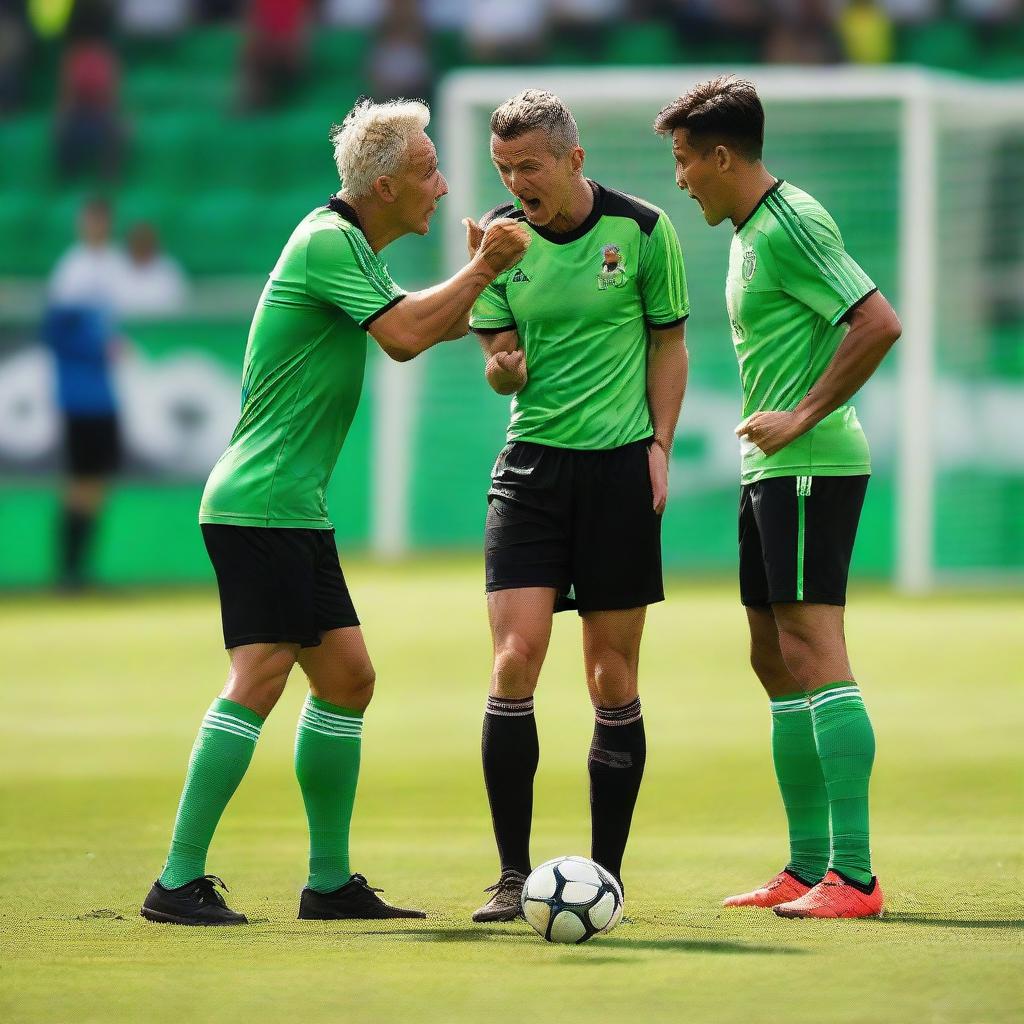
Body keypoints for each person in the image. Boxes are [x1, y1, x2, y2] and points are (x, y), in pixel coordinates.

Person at [140, 97, 530, 926]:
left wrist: (480, 286)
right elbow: (404, 336)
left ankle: (327, 884)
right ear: (384, 185)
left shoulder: (350, 246)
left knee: (348, 679)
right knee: (261, 676)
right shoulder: (326, 241)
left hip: (292, 510)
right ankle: (175, 881)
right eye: (427, 170)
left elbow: (427, 325)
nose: (441, 183)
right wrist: (485, 269)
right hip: (261, 505)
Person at [654, 75, 902, 919]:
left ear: (724, 156)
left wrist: (800, 416)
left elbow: (877, 321)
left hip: (811, 463)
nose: (680, 178)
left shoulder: (794, 221)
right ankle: (804, 867)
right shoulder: (751, 230)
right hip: (772, 469)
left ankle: (856, 876)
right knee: (771, 655)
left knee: (812, 645)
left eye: (686, 161)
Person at [466, 90, 689, 921]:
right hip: (531, 471)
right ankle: (509, 875)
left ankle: (606, 876)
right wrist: (502, 367)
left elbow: (670, 342)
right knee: (514, 662)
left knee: (609, 676)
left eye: (530, 165)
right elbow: (496, 351)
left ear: (574, 161)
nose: (517, 182)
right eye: (504, 168)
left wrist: (659, 446)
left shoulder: (642, 229)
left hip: (616, 474)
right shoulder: (498, 238)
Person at [43, 197, 129, 589]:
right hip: (78, 396)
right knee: (80, 480)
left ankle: (79, 569)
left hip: (103, 395)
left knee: (94, 482)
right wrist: (97, 348)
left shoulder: (110, 265)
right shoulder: (72, 271)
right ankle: (69, 570)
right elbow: (55, 333)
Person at [115, 222, 189, 319]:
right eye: (138, 242)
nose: (141, 246)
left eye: (145, 242)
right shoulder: (114, 270)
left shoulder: (170, 273)